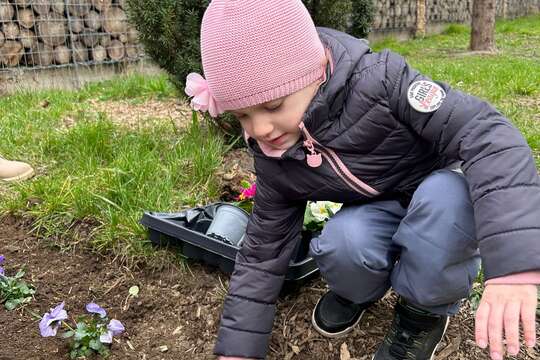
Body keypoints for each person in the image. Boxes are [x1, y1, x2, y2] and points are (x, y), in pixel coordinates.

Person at [184, 1, 539, 359]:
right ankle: (358, 293)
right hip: (382, 202)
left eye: (274, 107)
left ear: (317, 70)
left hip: (440, 195)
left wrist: (514, 268)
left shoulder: (381, 82)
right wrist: (239, 350)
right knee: (343, 242)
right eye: (243, 116)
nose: (259, 128)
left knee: (443, 204)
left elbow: (488, 134)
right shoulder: (275, 152)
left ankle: (422, 314)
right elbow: (263, 251)